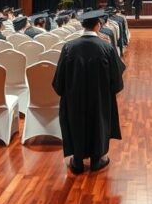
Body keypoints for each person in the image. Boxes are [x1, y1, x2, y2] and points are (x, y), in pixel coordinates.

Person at [53, 9, 125, 174]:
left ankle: (77, 161)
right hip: (99, 99)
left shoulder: (68, 48)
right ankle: (96, 159)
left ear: (82, 25)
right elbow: (116, 82)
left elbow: (59, 81)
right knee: (98, 123)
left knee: (76, 122)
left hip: (74, 100)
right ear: (98, 25)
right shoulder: (106, 48)